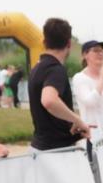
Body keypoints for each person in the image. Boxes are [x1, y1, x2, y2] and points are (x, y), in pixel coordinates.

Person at [28, 17, 91, 150]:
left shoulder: (36, 68)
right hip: (56, 152)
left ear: (44, 42)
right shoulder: (56, 70)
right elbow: (49, 100)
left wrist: (71, 121)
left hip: (40, 146)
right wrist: (77, 120)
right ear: (69, 43)